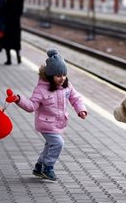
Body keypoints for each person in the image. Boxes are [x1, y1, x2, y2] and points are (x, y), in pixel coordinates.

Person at [6, 49, 88, 181]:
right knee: (58, 143)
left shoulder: (67, 86)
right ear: (50, 76)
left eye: (63, 75)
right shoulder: (41, 89)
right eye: (58, 76)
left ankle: (38, 167)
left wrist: (81, 110)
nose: (62, 78)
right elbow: (32, 106)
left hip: (58, 123)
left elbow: (76, 98)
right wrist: (18, 99)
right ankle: (48, 167)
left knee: (50, 145)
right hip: (45, 124)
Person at [1, 0, 24, 65]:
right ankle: (18, 59)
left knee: (7, 44)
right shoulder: (20, 1)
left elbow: (4, 11)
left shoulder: (9, 1)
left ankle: (9, 60)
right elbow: (20, 13)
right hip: (17, 26)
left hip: (8, 26)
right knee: (17, 43)